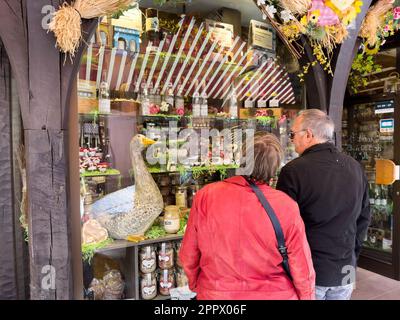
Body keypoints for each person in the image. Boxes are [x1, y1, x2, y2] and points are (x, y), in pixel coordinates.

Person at [179, 133, 315, 300]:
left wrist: (197, 284)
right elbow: (302, 266)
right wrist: (307, 297)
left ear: (241, 159)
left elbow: (188, 253)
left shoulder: (206, 196)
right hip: (274, 293)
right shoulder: (286, 205)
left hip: (217, 294)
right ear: (274, 167)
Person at [276, 109, 371, 300]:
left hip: (309, 269)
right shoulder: (355, 167)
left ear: (309, 134)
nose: (291, 139)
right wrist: (353, 256)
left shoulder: (293, 171)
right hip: (346, 268)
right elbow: (364, 217)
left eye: (293, 134)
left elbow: (281, 226)